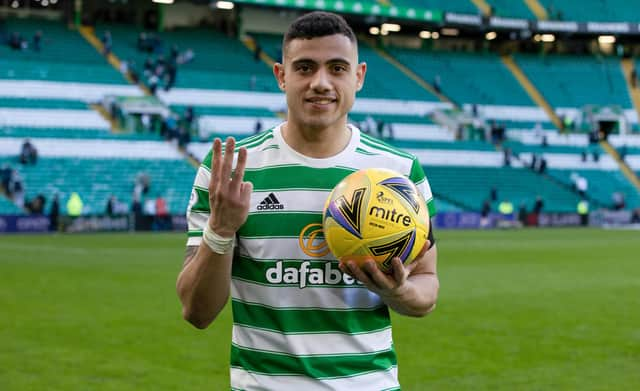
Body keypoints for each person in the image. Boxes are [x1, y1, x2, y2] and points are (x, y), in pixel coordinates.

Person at [176, 12, 439, 390]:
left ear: (358, 76)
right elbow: (196, 312)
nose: (321, 83)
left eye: (337, 68)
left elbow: (427, 290)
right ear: (281, 75)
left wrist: (397, 291)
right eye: (304, 67)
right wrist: (220, 229)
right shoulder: (230, 173)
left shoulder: (400, 173)